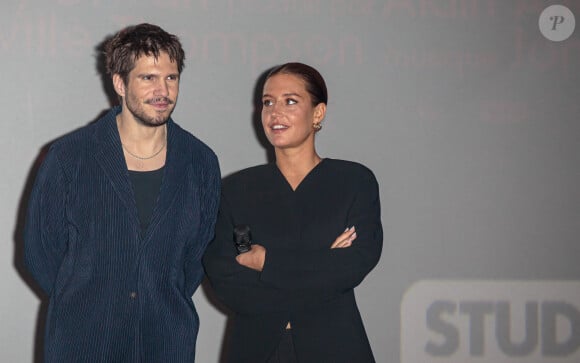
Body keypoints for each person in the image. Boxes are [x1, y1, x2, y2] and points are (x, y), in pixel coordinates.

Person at [24, 23, 220, 362]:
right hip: (83, 343)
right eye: (148, 78)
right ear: (119, 82)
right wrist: (86, 301)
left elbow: (196, 256)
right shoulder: (70, 156)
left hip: (166, 341)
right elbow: (40, 250)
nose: (163, 90)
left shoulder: (199, 161)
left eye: (171, 78)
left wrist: (154, 294)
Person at [203, 62, 382, 363]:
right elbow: (225, 278)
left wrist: (266, 262)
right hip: (256, 350)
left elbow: (355, 262)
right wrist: (321, 265)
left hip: (337, 347)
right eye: (267, 102)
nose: (275, 113)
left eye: (290, 101)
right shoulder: (234, 190)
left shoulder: (354, 181)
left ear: (318, 113)